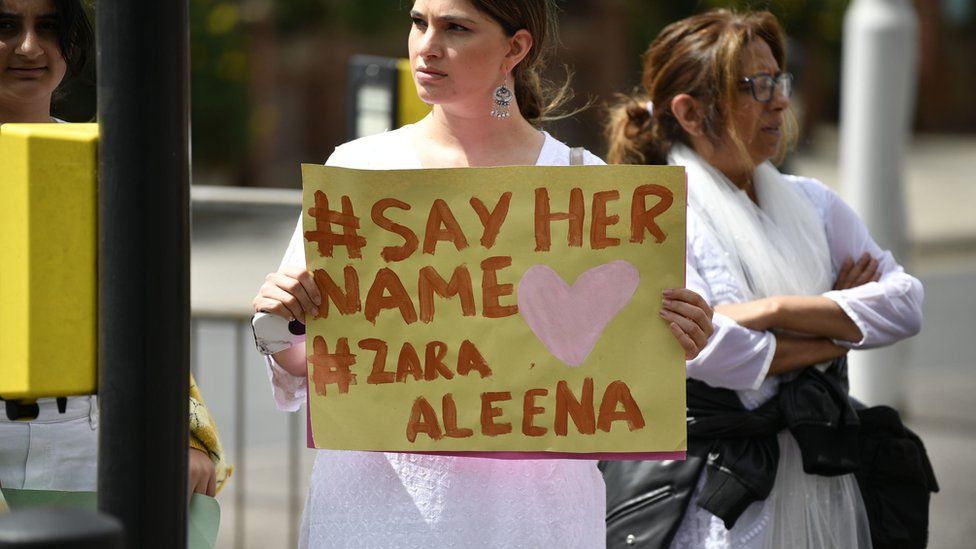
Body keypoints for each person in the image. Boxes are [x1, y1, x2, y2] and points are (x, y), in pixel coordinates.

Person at [252, 1, 714, 547]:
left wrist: (677, 337)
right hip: (377, 512)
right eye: (419, 21)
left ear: (515, 49)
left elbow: (619, 374)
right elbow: (314, 362)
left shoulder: (589, 188)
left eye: (456, 28)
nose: (427, 44)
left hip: (533, 520)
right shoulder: (358, 173)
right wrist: (279, 322)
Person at [605, 9, 932, 549]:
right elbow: (706, 351)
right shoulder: (656, 217)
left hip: (824, 483)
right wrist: (839, 323)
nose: (779, 99)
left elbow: (905, 303)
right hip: (719, 500)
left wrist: (776, 311)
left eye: (777, 78)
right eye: (754, 86)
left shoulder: (815, 202)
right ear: (689, 111)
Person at [0, 0, 229, 497]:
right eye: (5, 26)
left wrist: (185, 434)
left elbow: (142, 311)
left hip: (88, 447)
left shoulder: (107, 160)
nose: (28, 46)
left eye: (50, 27)